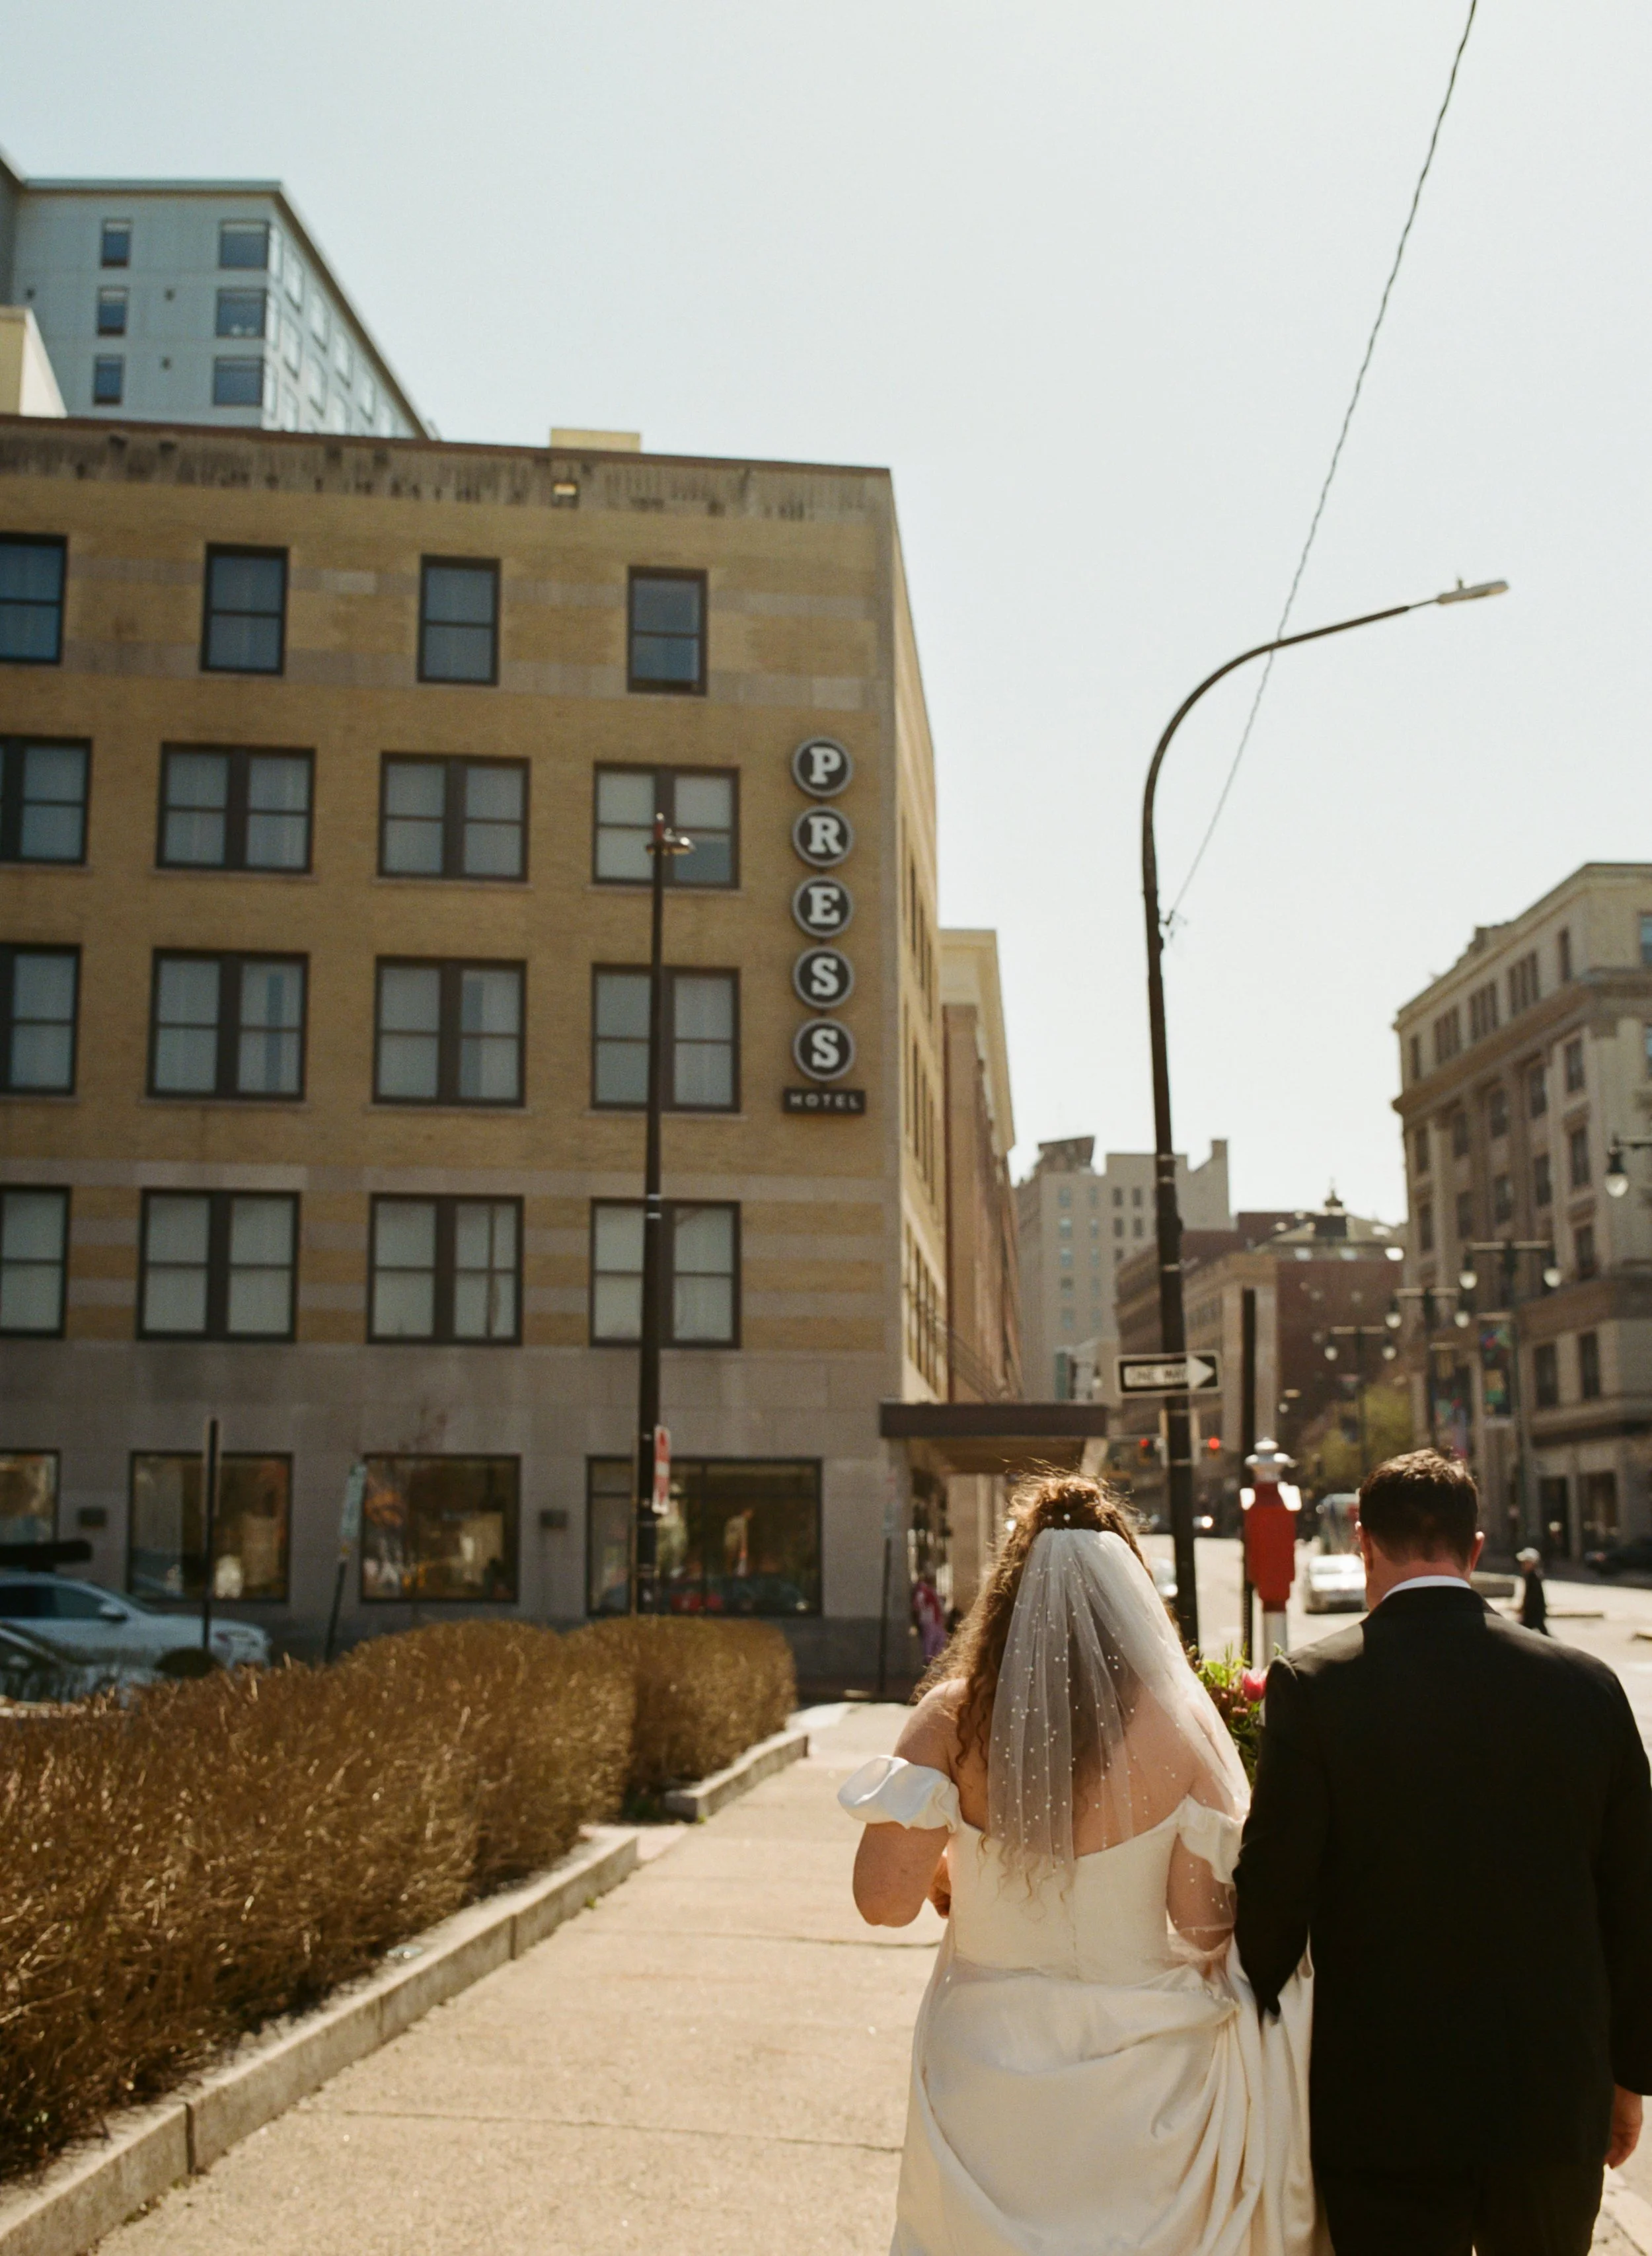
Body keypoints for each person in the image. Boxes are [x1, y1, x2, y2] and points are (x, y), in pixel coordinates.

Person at [841, 1474, 1321, 2255]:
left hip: (984, 2065)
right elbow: (1202, 1930)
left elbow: (883, 1902)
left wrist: (951, 1870)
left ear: (1009, 1600)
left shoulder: (951, 1720)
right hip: (1139, 2076)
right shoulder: (1176, 1728)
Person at [1234, 1449, 1652, 2256]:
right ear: (1476, 1547)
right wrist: (1628, 2075)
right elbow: (1634, 1896)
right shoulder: (1586, 1685)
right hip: (1549, 2091)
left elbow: (1272, 1904)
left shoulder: (1315, 1688)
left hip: (1382, 2098)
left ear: (1361, 1541)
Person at [1517, 1542, 1549, 1634]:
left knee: (1522, 1632)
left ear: (1532, 1563)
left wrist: (1523, 1608)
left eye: (1525, 1562)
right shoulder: (1530, 1576)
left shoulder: (1534, 1578)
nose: (1523, 1565)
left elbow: (1532, 1597)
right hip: (1534, 1613)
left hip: (1534, 1612)